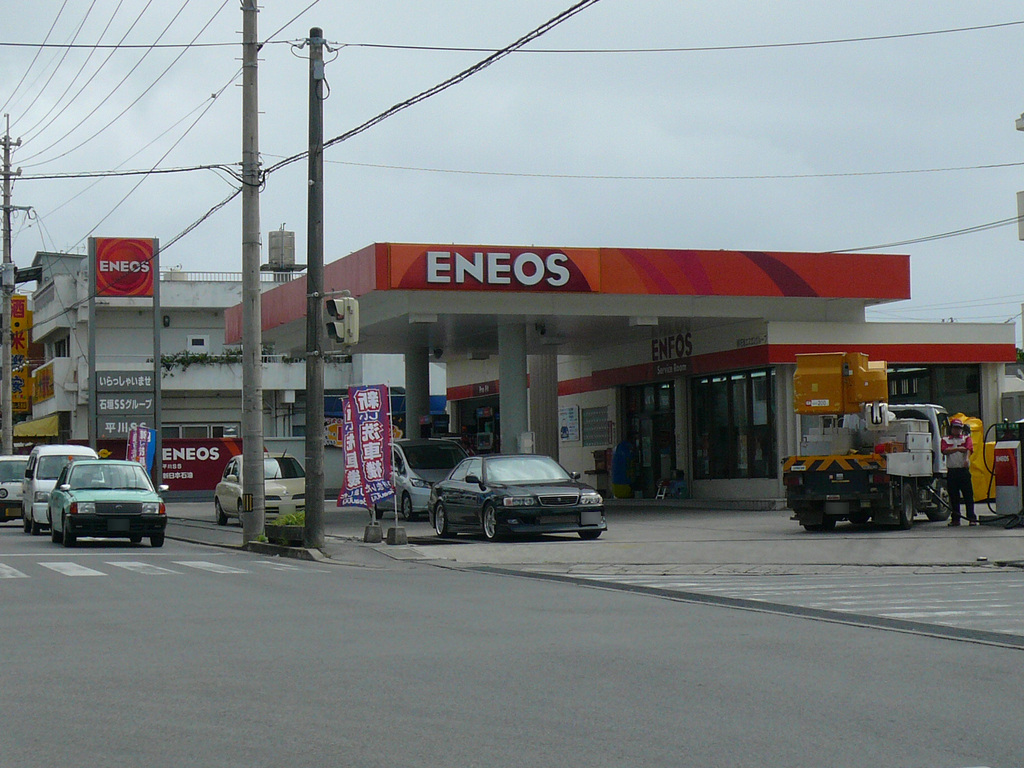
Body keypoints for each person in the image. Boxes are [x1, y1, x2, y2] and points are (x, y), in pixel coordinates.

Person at [941, 417, 977, 526]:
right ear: (951, 428)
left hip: (963, 471)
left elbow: (969, 448)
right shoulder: (946, 439)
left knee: (968, 496)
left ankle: (971, 518)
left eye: (959, 428)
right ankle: (956, 519)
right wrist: (958, 449)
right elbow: (944, 450)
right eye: (955, 428)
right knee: (954, 497)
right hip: (952, 471)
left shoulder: (966, 438)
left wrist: (966, 459)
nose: (957, 430)